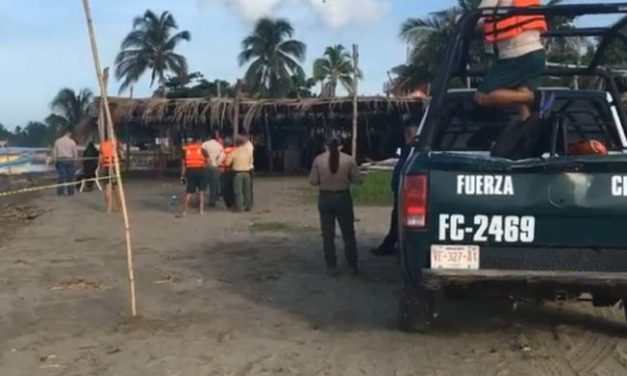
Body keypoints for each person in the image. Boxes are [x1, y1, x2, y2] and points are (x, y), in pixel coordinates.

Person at [474, 0, 548, 121]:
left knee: (482, 96)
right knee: (520, 95)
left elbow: (479, 22)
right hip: (538, 53)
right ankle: (527, 134)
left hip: (516, 56)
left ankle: (533, 97)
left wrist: (458, 21)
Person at [309, 135, 362, 276]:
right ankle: (352, 265)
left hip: (325, 198)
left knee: (327, 234)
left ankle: (331, 265)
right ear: (341, 146)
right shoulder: (348, 160)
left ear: (325, 146)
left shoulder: (318, 160)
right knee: (348, 234)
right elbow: (358, 180)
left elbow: (313, 181)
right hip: (343, 197)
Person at [372, 115, 419, 257]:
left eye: (408, 134)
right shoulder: (408, 151)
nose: (406, 137)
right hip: (401, 191)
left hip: (407, 193)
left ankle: (394, 248)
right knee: (398, 222)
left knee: (401, 223)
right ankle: (393, 247)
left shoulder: (413, 152)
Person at [179, 135, 210, 217]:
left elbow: (183, 164)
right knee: (201, 191)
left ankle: (184, 211)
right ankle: (201, 211)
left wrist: (182, 175)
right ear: (199, 141)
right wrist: (204, 165)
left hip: (190, 171)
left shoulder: (185, 150)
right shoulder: (202, 150)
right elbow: (209, 161)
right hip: (200, 170)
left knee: (189, 191)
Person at [227, 136, 253, 212]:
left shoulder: (234, 152)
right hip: (247, 172)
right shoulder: (248, 152)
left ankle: (239, 207)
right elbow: (250, 161)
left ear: (236, 144)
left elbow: (228, 163)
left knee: (238, 191)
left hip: (237, 173)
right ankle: (248, 205)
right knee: (247, 190)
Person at [99, 138, 124, 213]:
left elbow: (100, 159)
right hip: (113, 167)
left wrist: (101, 168)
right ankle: (119, 207)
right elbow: (122, 156)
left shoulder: (103, 145)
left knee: (109, 188)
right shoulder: (117, 144)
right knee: (116, 188)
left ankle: (109, 208)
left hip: (108, 167)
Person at [52, 129, 78, 196]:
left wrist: (55, 161)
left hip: (61, 160)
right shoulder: (72, 142)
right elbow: (75, 153)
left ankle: (60, 192)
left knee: (62, 176)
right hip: (70, 160)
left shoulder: (58, 141)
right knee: (70, 177)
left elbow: (55, 152)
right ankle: (70, 192)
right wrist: (75, 161)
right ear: (69, 134)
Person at [202, 131, 224, 207]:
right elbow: (222, 156)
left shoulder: (205, 144)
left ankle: (202, 201)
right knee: (213, 185)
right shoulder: (219, 146)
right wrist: (218, 163)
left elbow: (202, 152)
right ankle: (212, 201)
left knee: (203, 185)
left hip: (206, 166)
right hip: (216, 167)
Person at [219, 138, 236, 209]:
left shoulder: (223, 152)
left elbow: (219, 162)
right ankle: (234, 202)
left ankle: (229, 204)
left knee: (226, 188)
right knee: (234, 187)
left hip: (226, 171)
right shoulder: (235, 150)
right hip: (235, 171)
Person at [243, 134, 255, 208]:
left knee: (248, 186)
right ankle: (248, 201)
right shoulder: (248, 145)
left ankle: (248, 202)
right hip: (248, 167)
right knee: (248, 186)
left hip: (248, 167)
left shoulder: (247, 146)